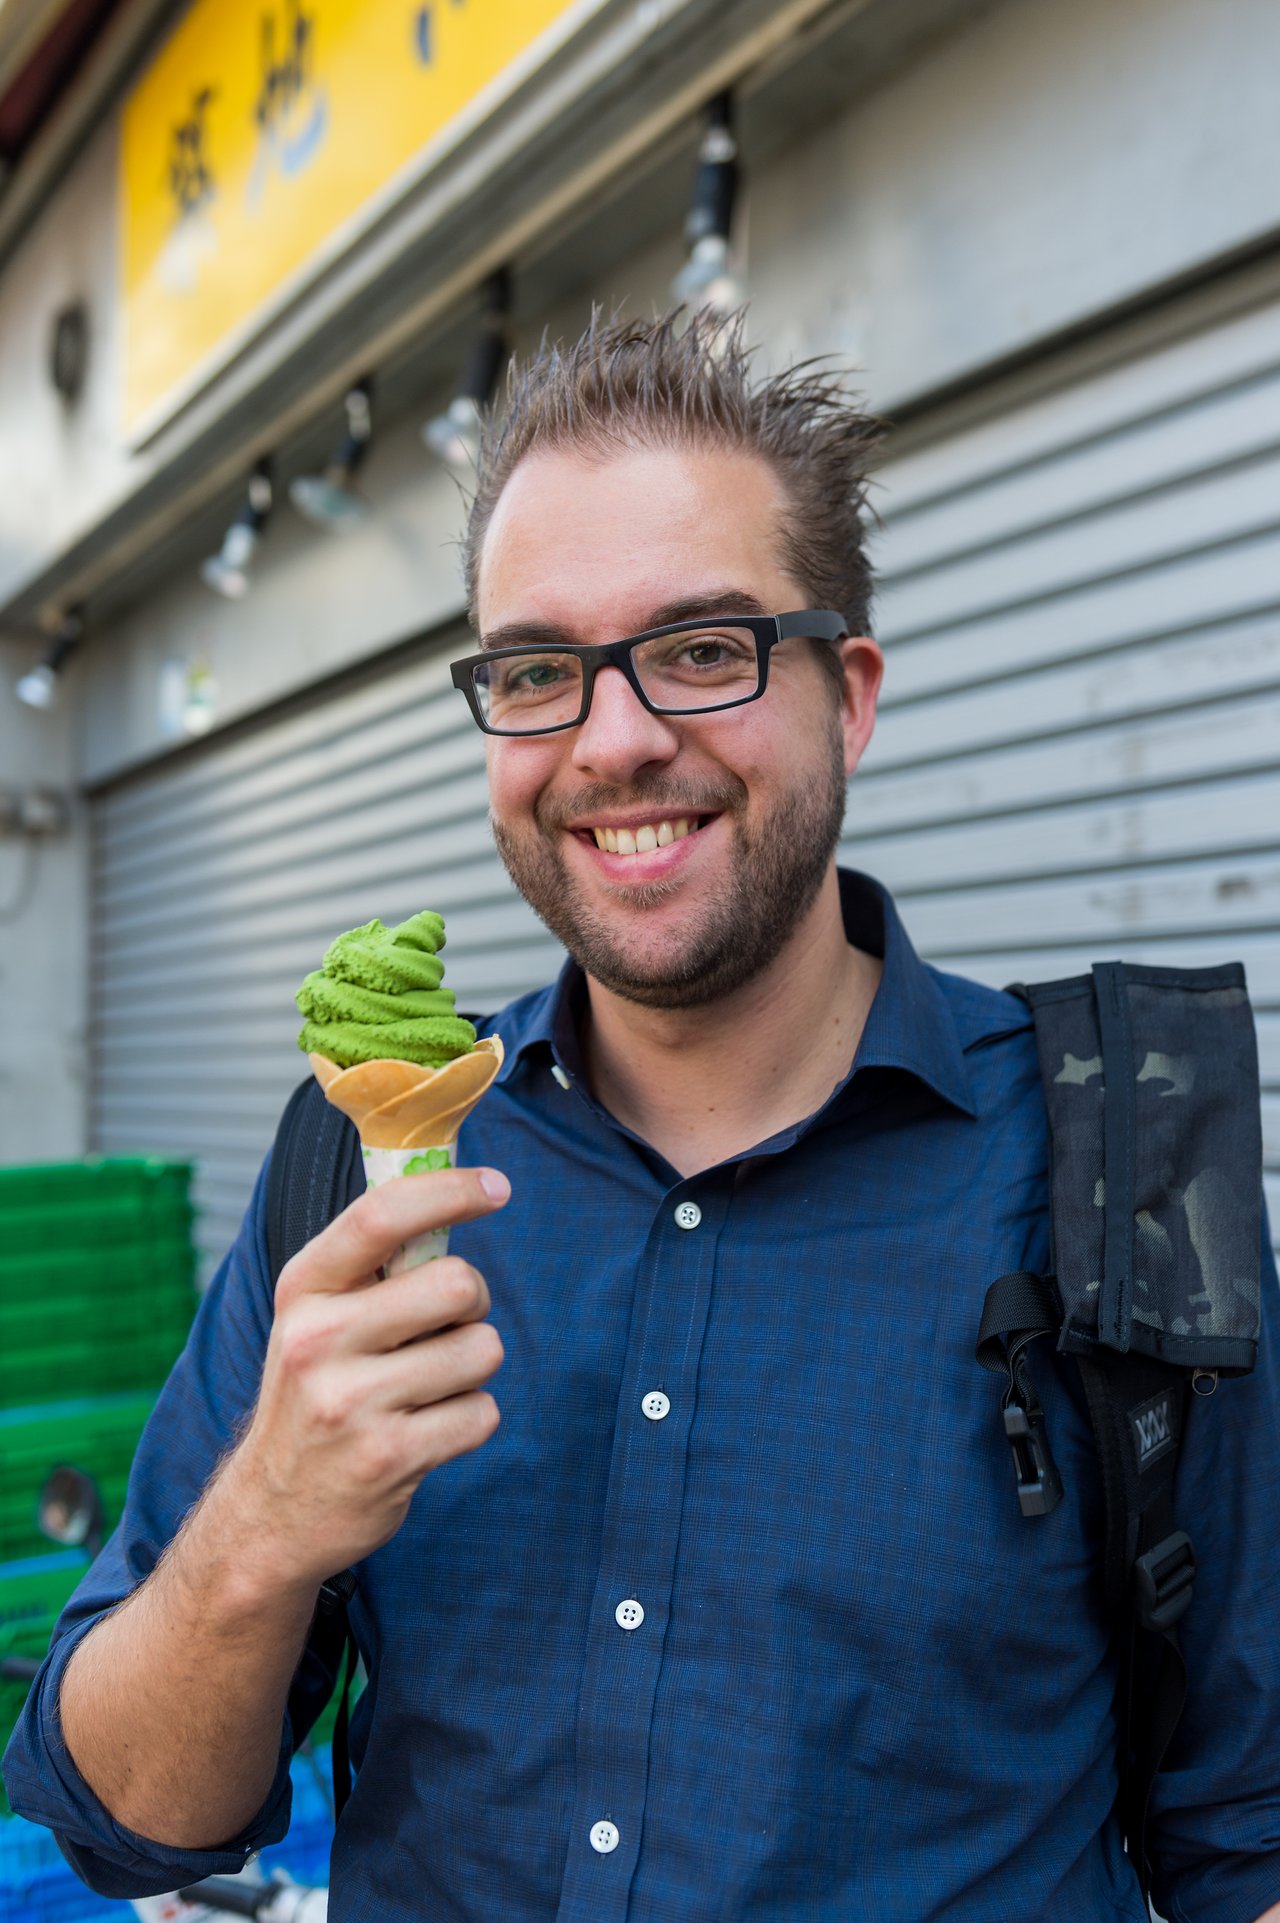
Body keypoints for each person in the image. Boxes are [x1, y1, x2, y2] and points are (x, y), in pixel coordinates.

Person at [5, 312, 1280, 1923]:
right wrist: (259, 1528)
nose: (613, 742)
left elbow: (1252, 1835)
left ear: (851, 697)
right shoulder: (355, 1171)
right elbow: (127, 1828)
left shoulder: (1116, 1165)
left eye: (700, 649)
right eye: (539, 670)